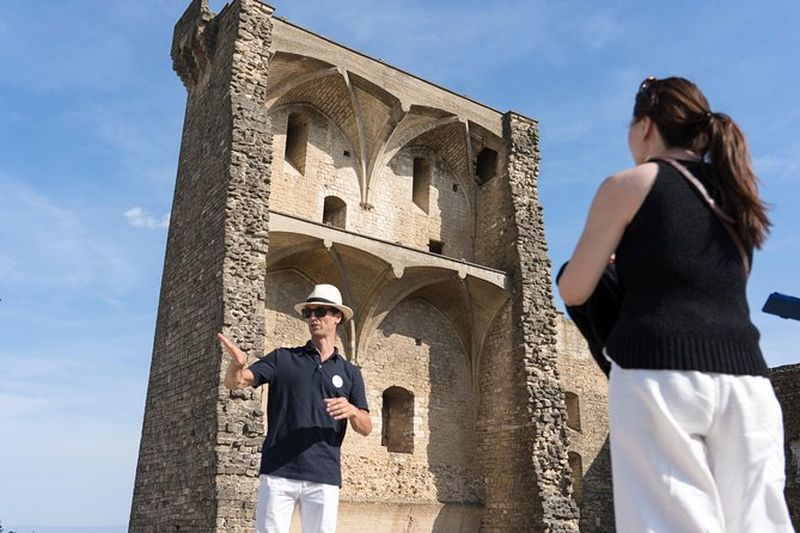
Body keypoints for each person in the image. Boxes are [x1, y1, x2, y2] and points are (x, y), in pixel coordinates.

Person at [558, 76, 793, 532]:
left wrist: (602, 263)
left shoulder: (630, 183)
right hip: (748, 383)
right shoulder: (738, 201)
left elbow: (574, 290)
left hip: (660, 377)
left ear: (645, 126)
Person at [218, 283, 372, 533]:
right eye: (308, 313)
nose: (313, 318)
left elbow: (366, 427)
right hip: (279, 472)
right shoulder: (283, 359)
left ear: (337, 317)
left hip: (324, 475)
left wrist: (353, 410)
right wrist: (237, 365)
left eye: (320, 311)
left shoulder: (350, 373)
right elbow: (235, 382)